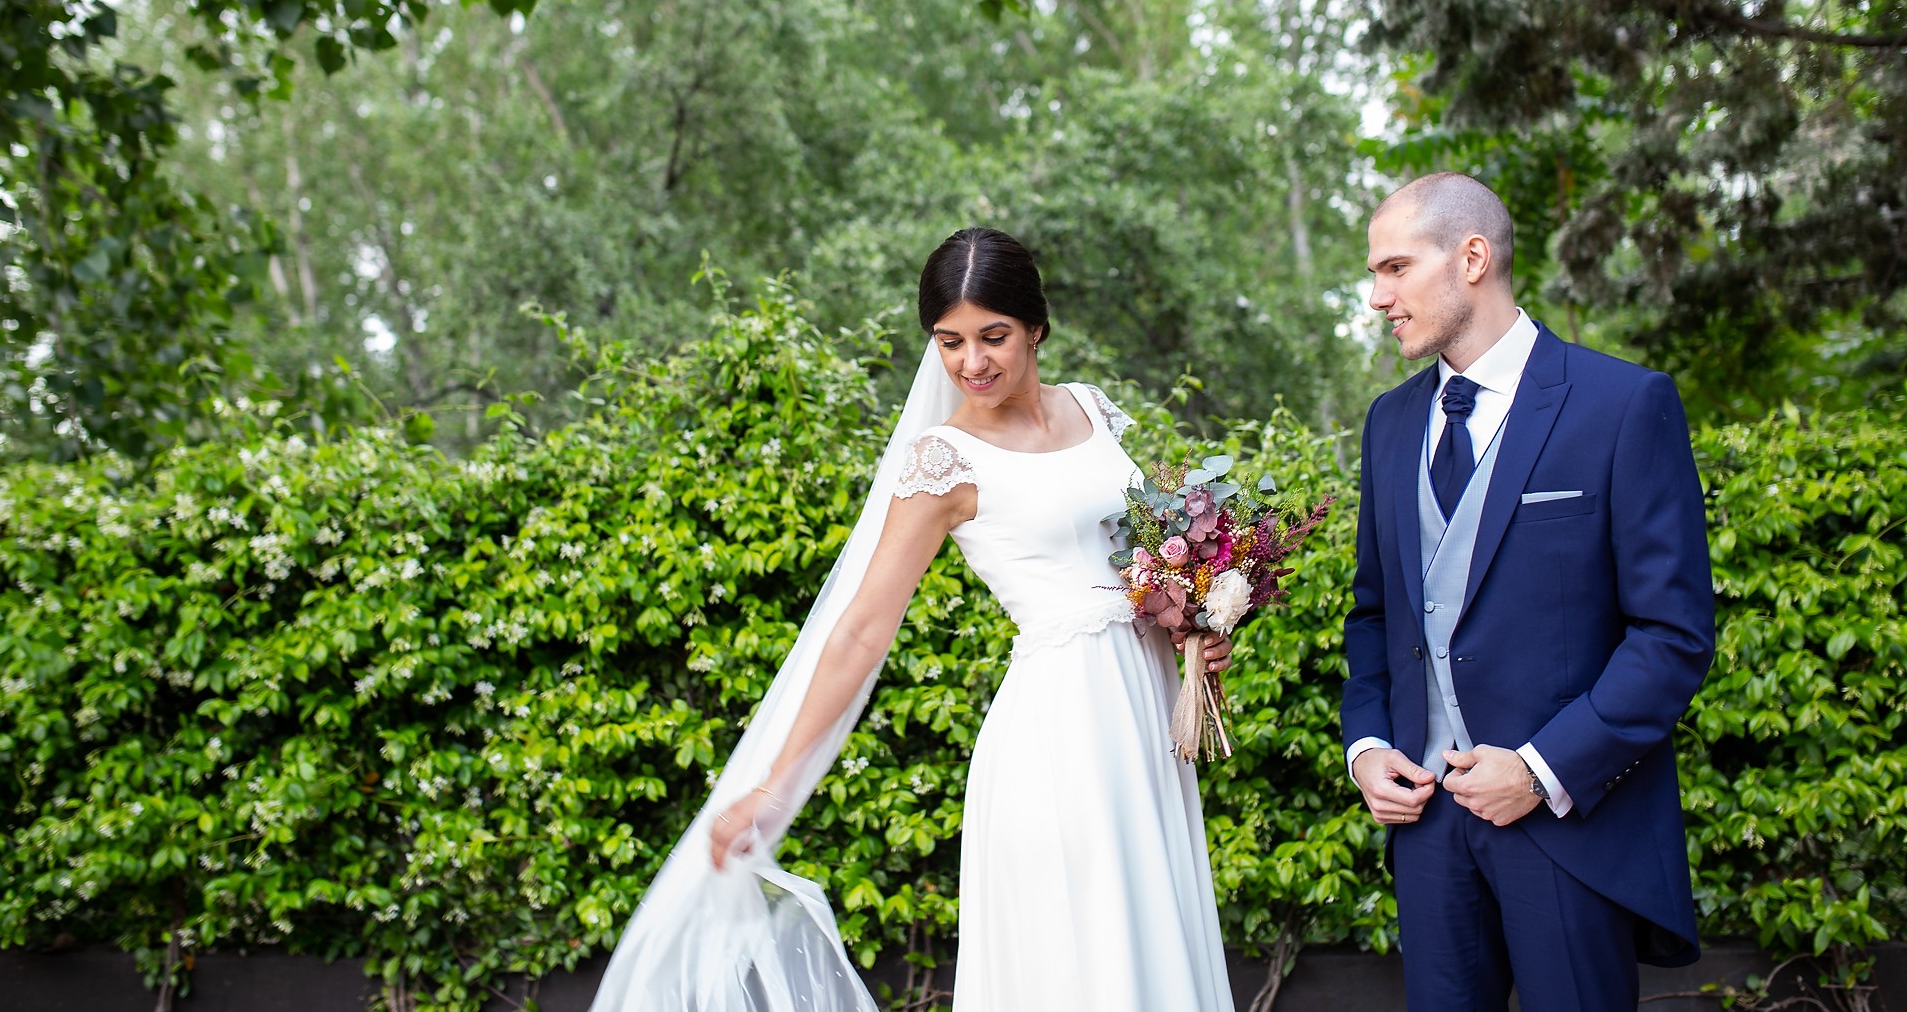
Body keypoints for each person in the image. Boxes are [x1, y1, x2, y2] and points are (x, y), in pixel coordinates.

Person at [589, 228, 1236, 1012]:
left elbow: (1146, 554)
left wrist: (1196, 623)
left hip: (1144, 717)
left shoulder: (1094, 410)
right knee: (1080, 957)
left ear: (1036, 325)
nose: (972, 362)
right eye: (950, 340)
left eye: (993, 335)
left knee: (1149, 938)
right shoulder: (945, 459)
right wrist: (773, 782)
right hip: (1059, 731)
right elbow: (864, 626)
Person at [1343, 173, 1715, 1011]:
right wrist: (1366, 748)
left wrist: (1542, 768)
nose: (1378, 296)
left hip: (1567, 826)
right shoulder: (1390, 423)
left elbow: (1672, 634)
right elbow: (1376, 614)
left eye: (1396, 267)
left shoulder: (1623, 404)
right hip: (1427, 830)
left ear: (1471, 256)